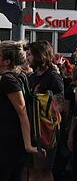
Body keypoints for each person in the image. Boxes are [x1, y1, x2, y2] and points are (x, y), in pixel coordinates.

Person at [1, 40, 40, 181]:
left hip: (9, 141)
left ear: (7, 62)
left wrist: (28, 145)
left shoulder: (8, 80)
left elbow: (22, 111)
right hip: (11, 139)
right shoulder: (18, 76)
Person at [26, 40, 65, 181]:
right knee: (31, 170)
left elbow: (60, 105)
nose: (27, 58)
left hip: (46, 133)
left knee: (43, 171)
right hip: (31, 130)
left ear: (39, 55)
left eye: (30, 54)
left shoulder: (53, 76)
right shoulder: (31, 77)